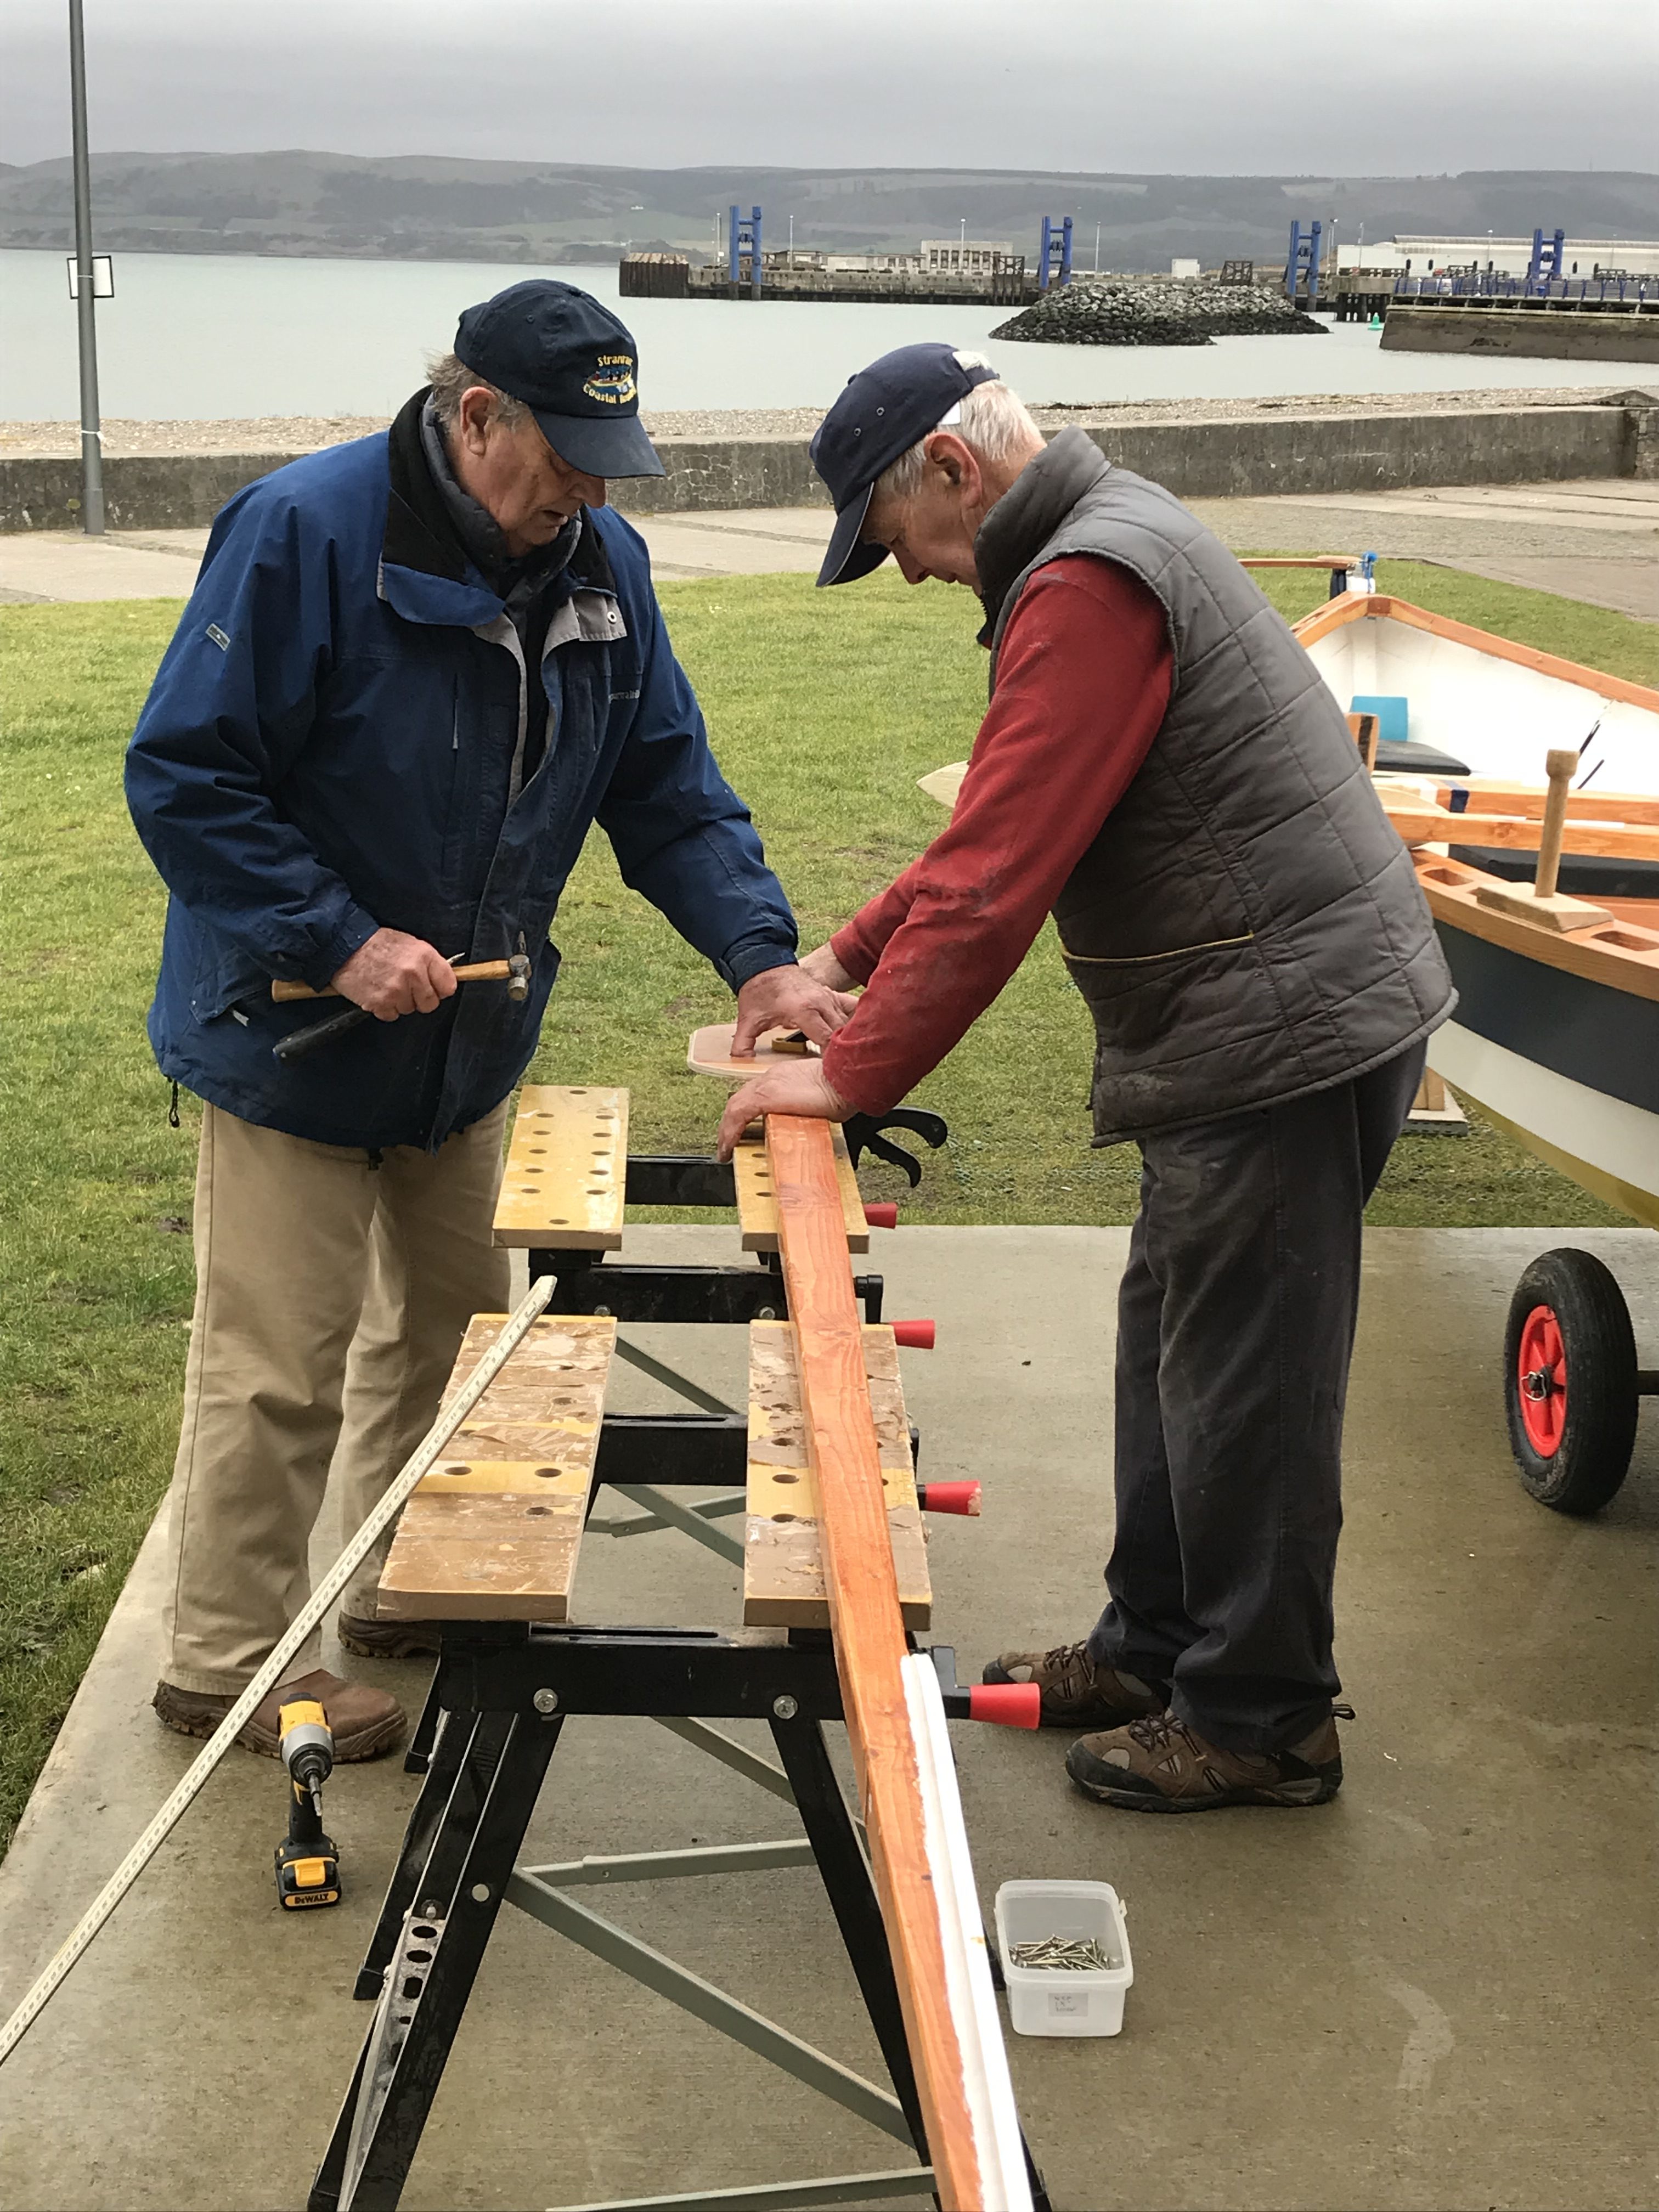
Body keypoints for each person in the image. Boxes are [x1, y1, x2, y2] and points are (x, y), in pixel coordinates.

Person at [716, 343, 1453, 1814]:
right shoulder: (1099, 545)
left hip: (1285, 1031)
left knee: (1246, 1387)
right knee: (1168, 1351)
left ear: (952, 467)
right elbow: (994, 820)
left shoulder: (1087, 584)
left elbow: (997, 880)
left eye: (895, 540)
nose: (914, 576)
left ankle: (1260, 1717)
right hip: (1256, 1024)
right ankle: (1159, 1645)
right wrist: (843, 965)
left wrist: (846, 1078)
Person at [127, 280, 849, 1759]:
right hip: (292, 1040)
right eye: (566, 452)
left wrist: (759, 959)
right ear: (475, 417)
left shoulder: (603, 566)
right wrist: (334, 941)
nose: (588, 485)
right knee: (277, 1369)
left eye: (610, 454)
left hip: (464, 1047)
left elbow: (669, 787)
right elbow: (187, 777)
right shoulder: (305, 532)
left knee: (453, 1340)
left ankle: (401, 1586)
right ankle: (228, 1667)